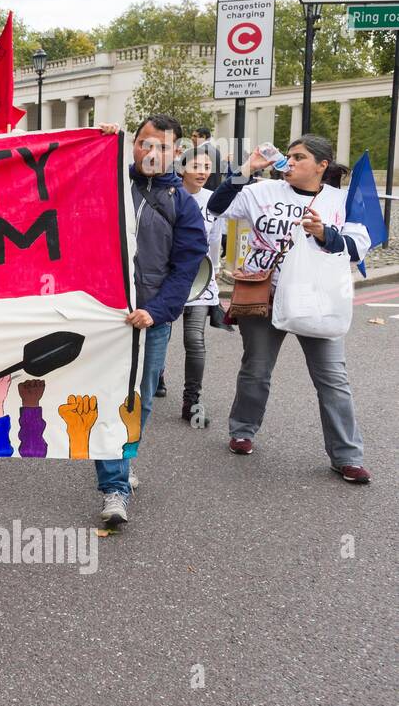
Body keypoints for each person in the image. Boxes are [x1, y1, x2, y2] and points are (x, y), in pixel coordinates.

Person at [207, 134, 371, 483]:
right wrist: (247, 168)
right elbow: (217, 206)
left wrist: (324, 233)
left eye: (300, 158)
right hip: (265, 294)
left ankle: (347, 456)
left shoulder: (341, 201)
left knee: (333, 379)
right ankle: (243, 431)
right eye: (290, 156)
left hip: (317, 299)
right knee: (256, 369)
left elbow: (358, 245)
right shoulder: (260, 192)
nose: (290, 162)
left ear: (322, 165)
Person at [94, 115, 208, 526]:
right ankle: (115, 486)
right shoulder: (107, 180)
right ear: (134, 144)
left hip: (149, 321)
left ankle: (120, 463)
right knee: (109, 398)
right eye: (144, 142)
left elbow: (185, 270)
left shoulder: (185, 206)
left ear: (176, 152)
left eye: (162, 146)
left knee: (136, 401)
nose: (151, 152)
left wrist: (156, 312)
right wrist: (96, 143)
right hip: (102, 317)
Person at [177, 148, 225, 426]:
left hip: (201, 278)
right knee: (158, 337)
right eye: (196, 165)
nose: (203, 171)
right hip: (168, 278)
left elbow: (215, 239)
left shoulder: (213, 201)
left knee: (195, 341)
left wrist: (215, 272)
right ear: (182, 168)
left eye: (207, 166)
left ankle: (191, 401)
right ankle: (156, 377)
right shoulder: (170, 196)